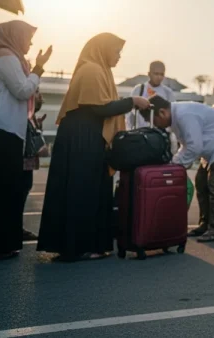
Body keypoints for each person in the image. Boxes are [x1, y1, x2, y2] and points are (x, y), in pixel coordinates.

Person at [37, 33, 150, 262]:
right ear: (103, 49)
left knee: (87, 189)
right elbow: (99, 108)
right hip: (83, 137)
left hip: (87, 136)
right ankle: (79, 247)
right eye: (116, 51)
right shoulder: (91, 70)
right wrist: (132, 102)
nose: (118, 57)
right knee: (83, 190)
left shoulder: (101, 71)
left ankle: (80, 245)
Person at [0, 21, 52, 260]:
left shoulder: (2, 59)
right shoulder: (6, 59)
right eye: (27, 37)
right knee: (1, 190)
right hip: (1, 130)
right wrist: (39, 69)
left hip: (0, 130)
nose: (30, 43)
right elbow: (22, 90)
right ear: (14, 36)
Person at [144, 96, 214, 243]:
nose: (157, 125)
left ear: (162, 112)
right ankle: (205, 224)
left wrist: (175, 166)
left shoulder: (184, 114)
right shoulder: (175, 117)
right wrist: (175, 162)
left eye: (155, 121)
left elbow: (194, 146)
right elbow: (186, 145)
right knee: (201, 182)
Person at [19, 89, 49, 242]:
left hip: (27, 163)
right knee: (20, 191)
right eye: (36, 91)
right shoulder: (23, 114)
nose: (39, 95)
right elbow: (37, 147)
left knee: (24, 191)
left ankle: (17, 226)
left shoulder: (30, 117)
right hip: (22, 161)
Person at [125, 60, 175, 129]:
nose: (159, 77)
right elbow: (129, 114)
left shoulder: (168, 92)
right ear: (149, 74)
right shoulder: (139, 89)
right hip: (140, 132)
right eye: (156, 74)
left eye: (162, 74)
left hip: (160, 134)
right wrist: (129, 130)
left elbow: (172, 115)